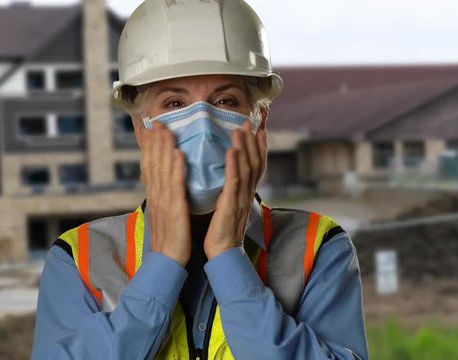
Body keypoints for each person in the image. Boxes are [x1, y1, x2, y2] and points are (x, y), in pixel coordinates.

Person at [31, 0, 369, 359]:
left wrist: (228, 256)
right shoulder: (79, 259)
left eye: (225, 100)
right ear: (140, 128)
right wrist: (162, 264)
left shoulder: (318, 250)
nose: (204, 127)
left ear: (260, 121)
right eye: (175, 104)